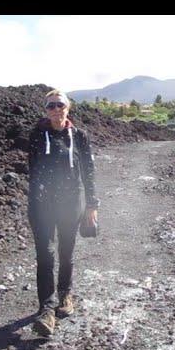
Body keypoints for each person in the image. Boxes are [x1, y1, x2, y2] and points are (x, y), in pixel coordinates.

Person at [27, 89, 99, 337]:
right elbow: (32, 169)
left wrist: (92, 205)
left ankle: (65, 294)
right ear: (45, 110)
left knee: (65, 252)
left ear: (68, 108)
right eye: (50, 106)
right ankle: (46, 311)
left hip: (71, 204)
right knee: (45, 255)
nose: (56, 110)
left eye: (60, 105)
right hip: (42, 205)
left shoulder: (79, 136)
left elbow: (88, 171)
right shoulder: (37, 135)